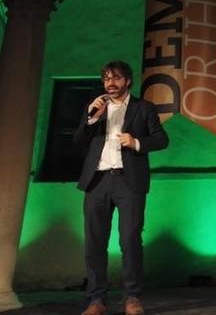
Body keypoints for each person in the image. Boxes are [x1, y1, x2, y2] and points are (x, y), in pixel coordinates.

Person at [72, 61, 169, 315]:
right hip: (97, 181)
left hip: (129, 181)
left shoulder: (143, 108)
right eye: (106, 79)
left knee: (129, 239)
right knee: (94, 243)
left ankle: (132, 297)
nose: (110, 83)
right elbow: (78, 141)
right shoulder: (96, 109)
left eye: (115, 78)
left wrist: (136, 142)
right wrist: (91, 117)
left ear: (127, 81)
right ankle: (96, 300)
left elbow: (161, 139)